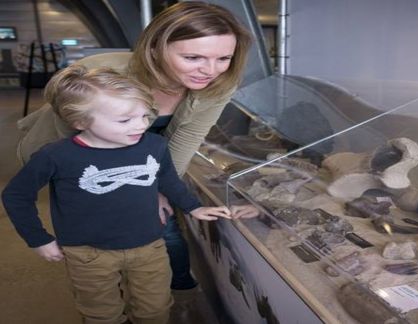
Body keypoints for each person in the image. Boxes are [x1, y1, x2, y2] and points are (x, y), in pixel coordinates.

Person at [15, 1, 258, 292]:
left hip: (149, 147)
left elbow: (186, 138)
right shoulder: (97, 74)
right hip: (78, 150)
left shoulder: (220, 82)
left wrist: (160, 190)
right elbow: (73, 145)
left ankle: (177, 286)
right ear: (155, 47)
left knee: (162, 220)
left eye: (223, 58)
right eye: (193, 57)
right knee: (102, 224)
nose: (210, 70)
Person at [2, 65, 233, 324]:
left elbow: (166, 179)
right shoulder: (55, 156)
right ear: (79, 121)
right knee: (101, 314)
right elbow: (16, 195)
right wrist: (38, 239)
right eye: (125, 120)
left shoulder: (154, 145)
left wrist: (193, 207)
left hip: (150, 247)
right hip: (88, 253)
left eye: (145, 116)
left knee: (155, 309)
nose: (141, 125)